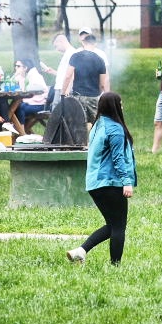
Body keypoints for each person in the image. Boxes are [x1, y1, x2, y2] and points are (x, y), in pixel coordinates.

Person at [68, 91, 137, 265]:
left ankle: (81, 251)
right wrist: (127, 182)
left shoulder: (97, 125)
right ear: (115, 106)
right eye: (120, 104)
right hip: (110, 182)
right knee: (119, 227)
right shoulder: (115, 129)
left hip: (94, 183)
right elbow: (118, 158)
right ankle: (115, 265)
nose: (122, 107)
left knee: (112, 225)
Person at [60, 29, 109, 117]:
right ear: (95, 44)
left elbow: (68, 76)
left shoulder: (75, 56)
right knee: (95, 122)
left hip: (77, 97)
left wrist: (63, 93)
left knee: (78, 121)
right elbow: (102, 84)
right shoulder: (100, 60)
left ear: (84, 43)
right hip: (93, 98)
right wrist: (97, 93)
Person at [11, 57, 49, 132]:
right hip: (30, 102)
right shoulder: (24, 76)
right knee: (14, 108)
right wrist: (16, 75)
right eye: (15, 66)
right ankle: (22, 131)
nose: (16, 68)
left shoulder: (35, 76)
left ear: (25, 68)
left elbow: (39, 92)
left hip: (40, 104)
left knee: (19, 108)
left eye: (18, 66)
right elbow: (10, 83)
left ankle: (22, 132)